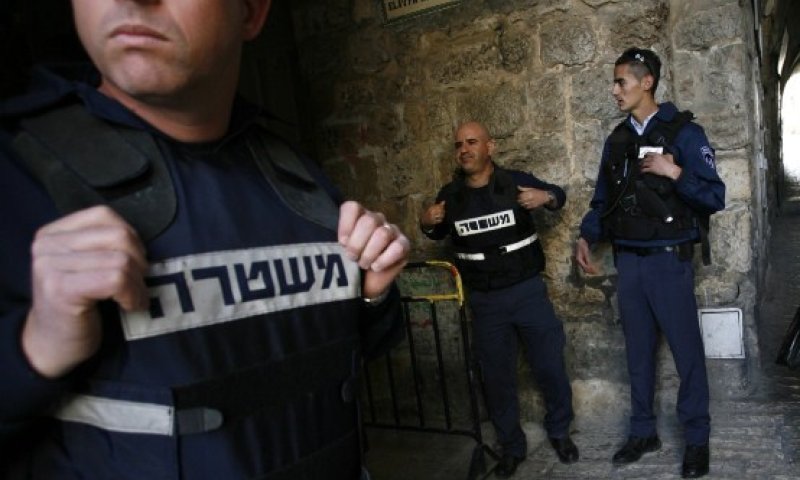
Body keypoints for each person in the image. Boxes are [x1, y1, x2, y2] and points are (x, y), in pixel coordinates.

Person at [0, 1, 410, 478]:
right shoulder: (16, 178)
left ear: (252, 13)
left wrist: (374, 297)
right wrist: (34, 347)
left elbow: (344, 356)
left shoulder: (297, 179)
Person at [574, 48, 725, 479]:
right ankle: (643, 432)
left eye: (621, 81)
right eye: (614, 82)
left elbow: (715, 196)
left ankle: (696, 439)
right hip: (629, 262)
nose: (614, 90)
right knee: (638, 355)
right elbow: (604, 199)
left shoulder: (685, 133)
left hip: (668, 261)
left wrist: (674, 172)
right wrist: (587, 235)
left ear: (647, 82)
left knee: (686, 354)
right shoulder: (618, 139)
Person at [420, 121, 578, 478]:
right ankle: (511, 446)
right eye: (459, 144)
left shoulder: (514, 182)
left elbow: (559, 195)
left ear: (489, 147)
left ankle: (559, 432)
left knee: (550, 365)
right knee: (496, 377)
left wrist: (546, 197)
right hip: (485, 300)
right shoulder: (451, 196)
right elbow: (434, 229)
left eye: (472, 142)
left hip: (526, 293)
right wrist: (424, 220)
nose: (465, 149)